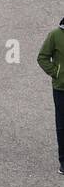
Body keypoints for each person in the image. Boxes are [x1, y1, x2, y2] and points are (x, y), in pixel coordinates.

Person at [38, 16, 64, 176]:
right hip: (61, 88)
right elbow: (42, 57)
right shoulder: (55, 35)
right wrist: (57, 73)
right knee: (62, 125)